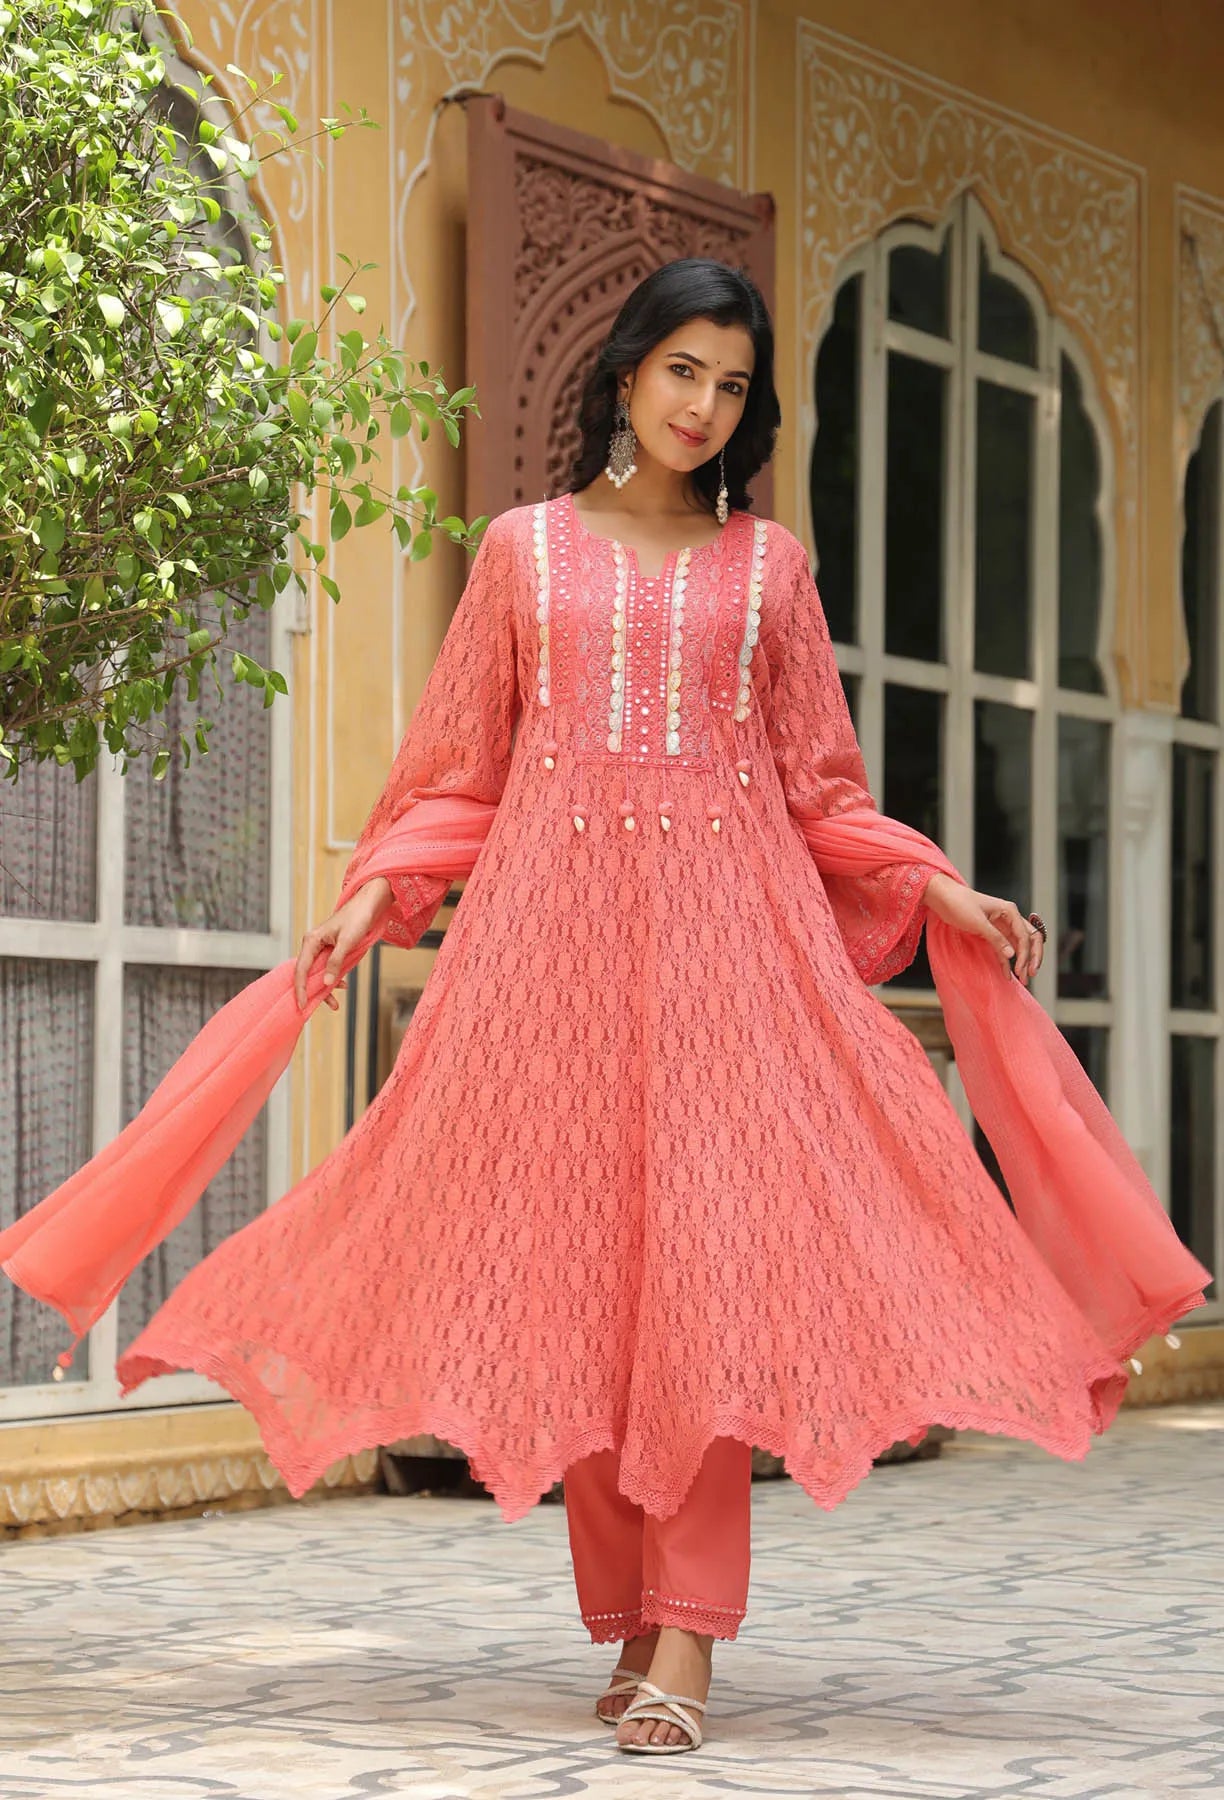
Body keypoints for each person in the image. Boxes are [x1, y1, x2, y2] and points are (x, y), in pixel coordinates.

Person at [0, 259, 1209, 1759]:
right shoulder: (523, 554)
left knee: (699, 1281)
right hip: (548, 966)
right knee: (583, 1290)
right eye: (684, 372)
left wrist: (934, 887)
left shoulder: (767, 571)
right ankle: (632, 1621)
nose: (707, 407)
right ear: (630, 373)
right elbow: (465, 772)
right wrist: (382, 888)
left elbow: (815, 787)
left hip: (726, 960)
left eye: (733, 386)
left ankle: (688, 1644)